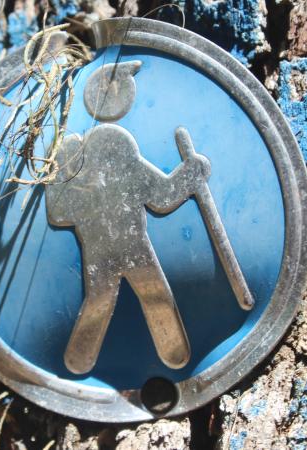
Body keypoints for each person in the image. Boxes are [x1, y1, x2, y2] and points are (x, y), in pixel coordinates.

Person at [45, 60, 212, 375]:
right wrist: (191, 174)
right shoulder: (123, 165)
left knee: (104, 299)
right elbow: (164, 194)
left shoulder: (91, 171)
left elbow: (59, 211)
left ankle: (81, 360)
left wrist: (191, 174)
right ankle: (170, 353)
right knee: (144, 294)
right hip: (131, 246)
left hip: (110, 249)